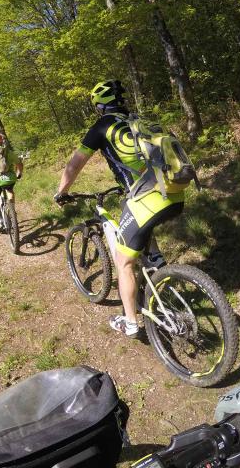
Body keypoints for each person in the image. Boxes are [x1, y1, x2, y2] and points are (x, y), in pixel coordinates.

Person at [54, 80, 185, 338]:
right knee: (147, 243)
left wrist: (62, 191)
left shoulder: (103, 126)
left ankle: (131, 322)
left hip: (145, 198)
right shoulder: (140, 121)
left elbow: (75, 164)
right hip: (173, 192)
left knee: (123, 262)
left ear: (100, 106)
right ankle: (165, 290)